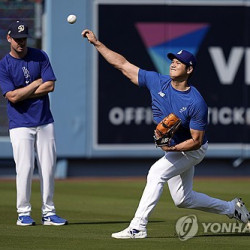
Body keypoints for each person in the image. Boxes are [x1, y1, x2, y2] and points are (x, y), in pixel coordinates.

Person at [82, 29, 250, 238]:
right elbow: (123, 65)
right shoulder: (157, 81)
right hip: (178, 147)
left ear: (189, 69)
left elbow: (196, 141)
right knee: (183, 199)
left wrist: (172, 148)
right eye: (172, 60)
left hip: (192, 149)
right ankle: (232, 208)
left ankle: (138, 227)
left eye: (179, 62)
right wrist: (97, 43)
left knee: (156, 173)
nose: (173, 63)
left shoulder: (196, 102)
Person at [0, 20, 67, 226]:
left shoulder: (40, 56)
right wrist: (37, 82)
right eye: (17, 39)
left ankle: (49, 212)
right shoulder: (4, 64)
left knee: (47, 168)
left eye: (24, 38)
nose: (21, 42)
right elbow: (11, 97)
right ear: (9, 38)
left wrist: (25, 91)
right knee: (26, 168)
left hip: (44, 120)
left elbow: (50, 86)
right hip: (20, 123)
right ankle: (23, 213)